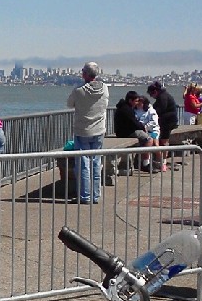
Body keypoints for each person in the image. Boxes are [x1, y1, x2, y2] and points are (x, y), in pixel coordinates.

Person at [66, 62, 109, 204]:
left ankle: (85, 196)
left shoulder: (79, 90)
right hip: (99, 130)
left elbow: (69, 104)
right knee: (96, 162)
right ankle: (96, 195)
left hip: (82, 130)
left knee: (83, 164)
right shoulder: (105, 88)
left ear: (85, 74)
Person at [114, 90, 157, 173]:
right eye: (136, 101)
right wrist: (143, 128)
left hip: (122, 131)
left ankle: (140, 160)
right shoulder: (127, 109)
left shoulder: (123, 107)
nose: (137, 103)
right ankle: (145, 164)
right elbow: (134, 123)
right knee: (149, 140)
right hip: (126, 132)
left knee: (143, 139)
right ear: (130, 100)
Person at [147, 81, 178, 170]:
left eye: (151, 94)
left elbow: (160, 110)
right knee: (164, 141)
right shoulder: (164, 95)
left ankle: (162, 162)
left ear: (155, 91)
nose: (151, 96)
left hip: (167, 123)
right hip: (169, 121)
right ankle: (162, 161)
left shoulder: (162, 98)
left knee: (163, 142)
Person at [136, 95, 162, 170]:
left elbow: (154, 122)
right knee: (147, 141)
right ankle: (147, 161)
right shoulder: (135, 110)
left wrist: (146, 127)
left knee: (155, 144)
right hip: (142, 131)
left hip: (153, 130)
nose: (138, 105)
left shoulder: (151, 110)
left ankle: (161, 162)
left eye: (140, 103)